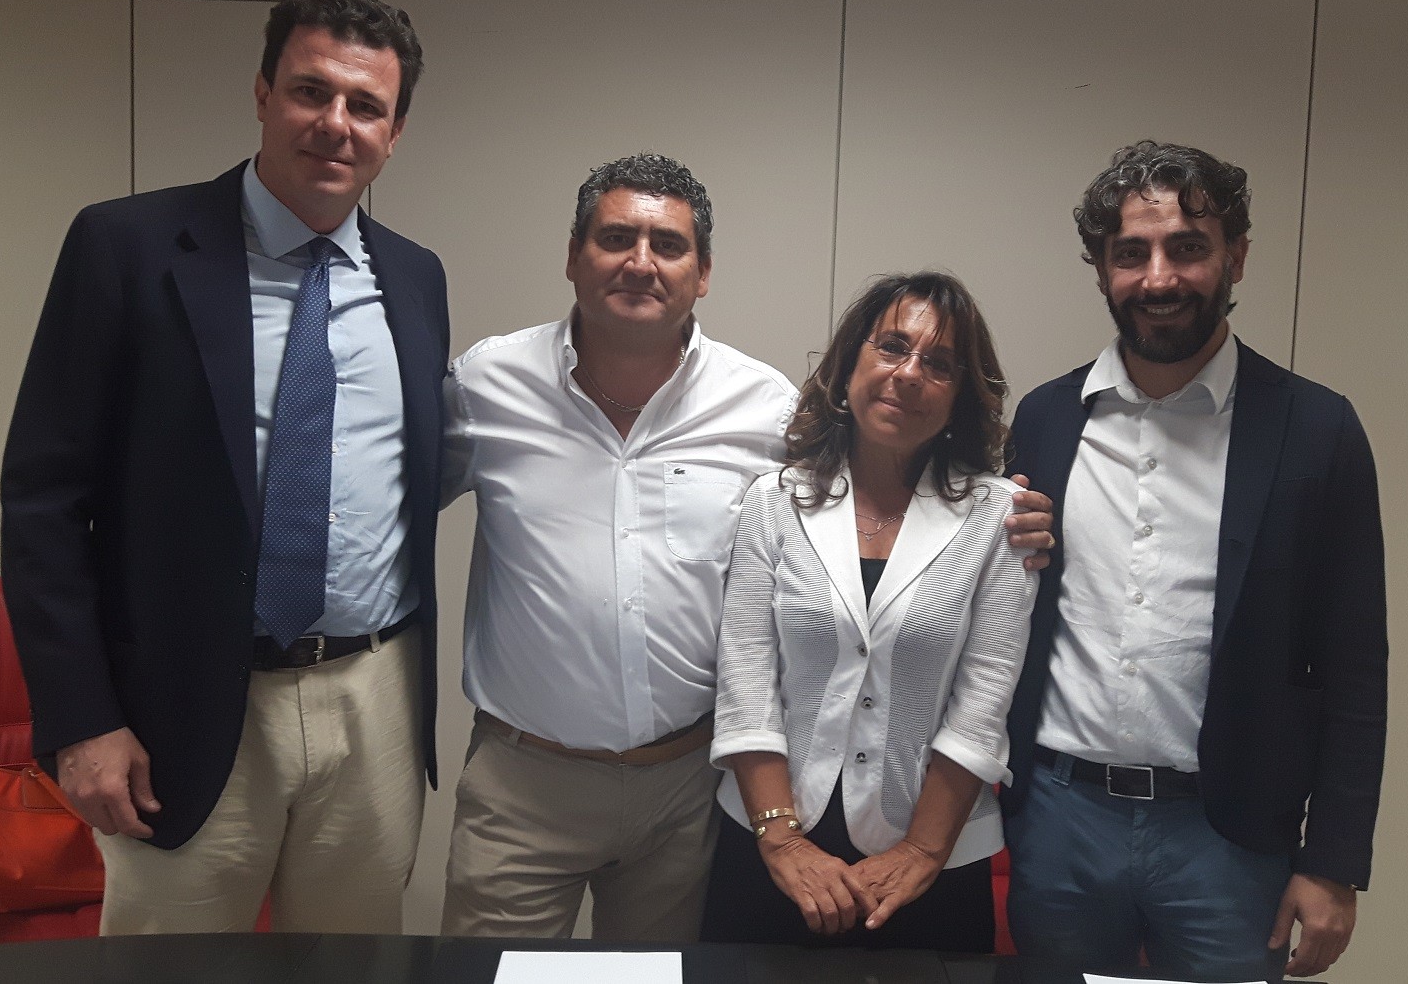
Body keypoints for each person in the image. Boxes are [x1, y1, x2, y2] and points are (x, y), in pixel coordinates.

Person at [438, 156, 1057, 942]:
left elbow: (975, 683)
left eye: (668, 245)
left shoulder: (762, 409)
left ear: (703, 274)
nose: (641, 262)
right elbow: (390, 507)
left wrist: (1014, 515)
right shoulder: (486, 384)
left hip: (683, 788)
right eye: (617, 237)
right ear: (572, 254)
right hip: (527, 775)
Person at [0, 0, 447, 935]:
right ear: (262, 93)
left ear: (395, 131)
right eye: (311, 91)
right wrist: (81, 719)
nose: (335, 123)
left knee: (356, 965)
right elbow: (44, 502)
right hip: (185, 703)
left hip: (374, 696)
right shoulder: (126, 247)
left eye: (365, 105)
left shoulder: (415, 278)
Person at [1001, 140, 1388, 980]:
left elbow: (1357, 668)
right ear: (1101, 270)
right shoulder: (1045, 420)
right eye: (1130, 253)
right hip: (1060, 821)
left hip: (1228, 837)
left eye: (1187, 247)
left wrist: (1333, 861)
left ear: (1235, 257)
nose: (1159, 278)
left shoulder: (1316, 431)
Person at [701, 272, 1038, 952]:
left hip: (934, 855)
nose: (908, 374)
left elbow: (983, 701)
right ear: (850, 362)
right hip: (771, 840)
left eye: (939, 364)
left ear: (961, 394)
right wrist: (782, 839)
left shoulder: (999, 517)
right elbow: (746, 683)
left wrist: (921, 850)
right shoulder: (775, 500)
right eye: (892, 347)